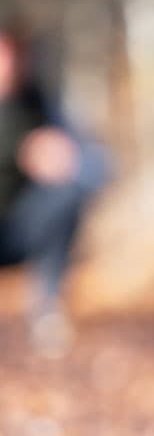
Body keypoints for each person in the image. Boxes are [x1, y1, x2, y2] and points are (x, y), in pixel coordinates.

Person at [0, 18, 108, 350]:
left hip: (20, 229)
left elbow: (88, 158)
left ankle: (47, 307)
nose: (10, 65)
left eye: (15, 56)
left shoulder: (37, 101)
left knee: (69, 191)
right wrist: (21, 150)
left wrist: (64, 157)